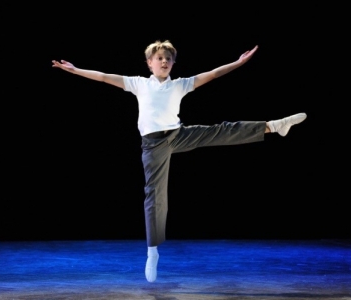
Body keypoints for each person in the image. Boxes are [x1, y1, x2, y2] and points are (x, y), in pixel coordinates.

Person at [52, 40, 307, 283]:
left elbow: (214, 74)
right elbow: (105, 76)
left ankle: (274, 126)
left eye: (168, 59)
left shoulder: (180, 85)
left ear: (173, 64)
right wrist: (75, 71)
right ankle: (152, 252)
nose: (164, 62)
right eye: (159, 58)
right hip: (153, 144)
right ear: (149, 63)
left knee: (221, 130)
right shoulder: (138, 83)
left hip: (178, 134)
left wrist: (238, 63)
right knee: (155, 195)